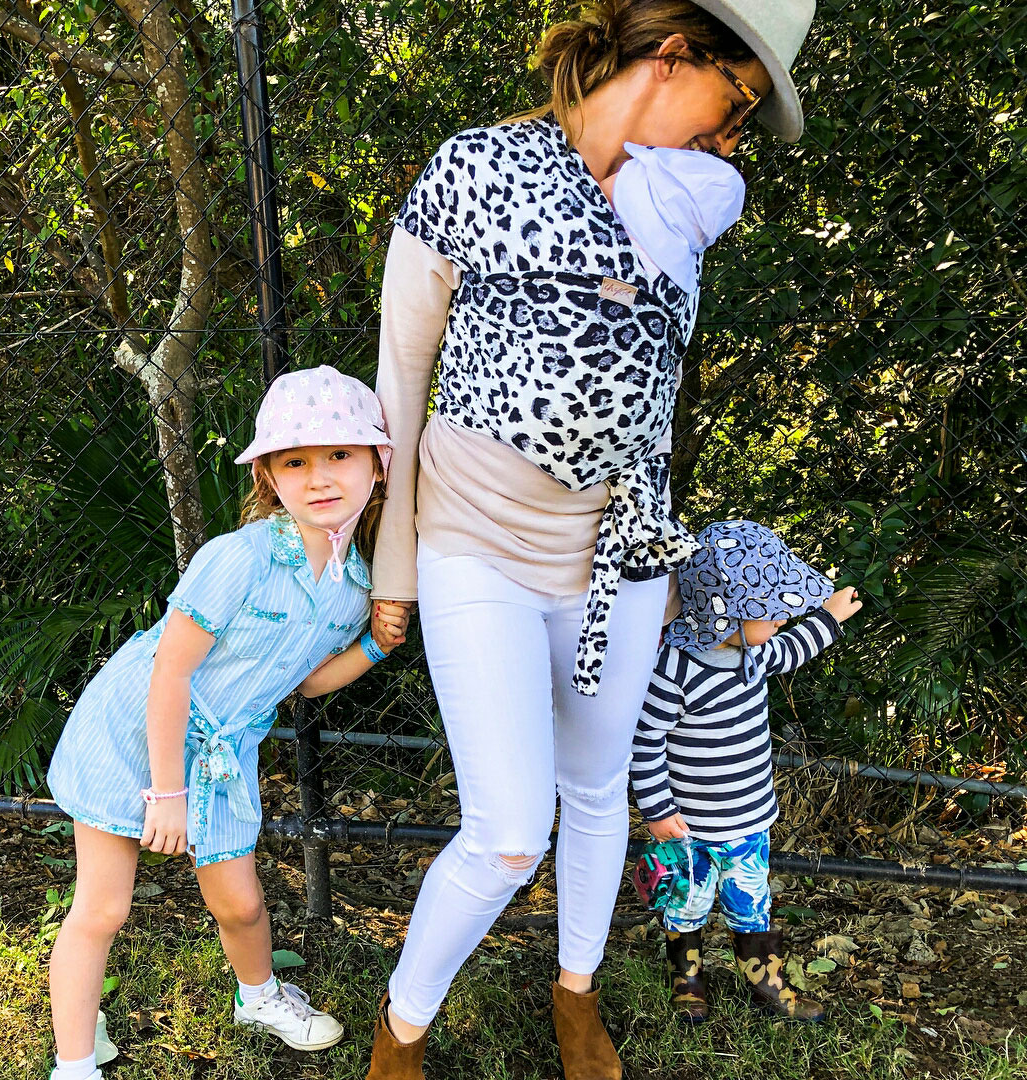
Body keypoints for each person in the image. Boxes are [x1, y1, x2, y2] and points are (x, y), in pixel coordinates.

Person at [365, 0, 817, 1076]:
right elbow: (402, 371)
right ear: (672, 58)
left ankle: (576, 996)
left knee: (597, 788)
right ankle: (400, 1027)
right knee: (512, 827)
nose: (731, 136)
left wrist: (659, 565)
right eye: (736, 100)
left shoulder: (681, 210)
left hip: (616, 556)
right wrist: (394, 564)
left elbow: (651, 399)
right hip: (476, 537)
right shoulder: (478, 167)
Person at [44, 366, 410, 1080]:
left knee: (241, 904)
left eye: (341, 454)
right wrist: (166, 791)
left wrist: (373, 645)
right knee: (104, 908)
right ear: (271, 476)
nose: (320, 475)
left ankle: (260, 995)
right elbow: (169, 673)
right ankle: (75, 1063)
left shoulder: (356, 584)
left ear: (377, 464)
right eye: (295, 460)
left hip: (225, 749)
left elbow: (303, 682)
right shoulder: (236, 560)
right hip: (136, 733)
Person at [631, 519, 862, 1022]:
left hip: (748, 825)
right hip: (688, 829)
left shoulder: (751, 653)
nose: (782, 619)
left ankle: (766, 984)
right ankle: (687, 982)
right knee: (685, 908)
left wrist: (829, 616)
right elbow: (646, 742)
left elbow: (794, 649)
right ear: (726, 614)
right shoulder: (673, 669)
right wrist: (657, 810)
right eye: (772, 611)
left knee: (752, 906)